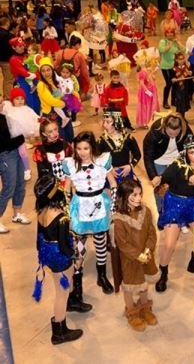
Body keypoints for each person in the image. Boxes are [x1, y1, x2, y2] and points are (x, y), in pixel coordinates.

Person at [154, 135, 194, 292]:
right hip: (174, 204)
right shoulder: (177, 166)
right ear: (186, 154)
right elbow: (164, 179)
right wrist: (186, 178)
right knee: (169, 244)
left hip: (193, 204)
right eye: (192, 152)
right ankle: (164, 274)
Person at [62, 131, 117, 295]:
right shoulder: (70, 164)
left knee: (101, 240)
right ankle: (77, 280)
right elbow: (66, 188)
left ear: (92, 147)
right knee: (80, 245)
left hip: (100, 204)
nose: (82, 152)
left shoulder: (103, 161)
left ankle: (101, 275)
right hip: (80, 207)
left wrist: (113, 205)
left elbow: (113, 183)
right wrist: (66, 207)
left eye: (86, 148)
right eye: (78, 148)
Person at [32, 174, 84, 345]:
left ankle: (70, 303)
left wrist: (44, 257)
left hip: (48, 253)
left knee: (61, 286)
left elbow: (38, 239)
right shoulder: (61, 217)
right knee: (61, 294)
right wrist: (75, 257)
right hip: (60, 257)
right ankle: (59, 332)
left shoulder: (41, 211)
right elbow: (64, 245)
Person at [113, 178, 159, 332]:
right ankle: (131, 311)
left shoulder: (146, 212)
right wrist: (137, 255)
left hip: (146, 256)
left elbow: (152, 233)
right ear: (124, 196)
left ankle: (145, 307)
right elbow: (122, 244)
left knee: (144, 283)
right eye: (134, 195)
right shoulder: (119, 220)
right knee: (129, 286)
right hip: (130, 260)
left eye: (140, 194)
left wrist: (148, 249)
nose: (138, 198)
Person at [143, 113, 193, 214]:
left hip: (176, 161)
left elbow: (191, 148)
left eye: (176, 134)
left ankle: (178, 212)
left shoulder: (186, 129)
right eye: (170, 134)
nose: (173, 136)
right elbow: (148, 156)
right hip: (159, 160)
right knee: (160, 188)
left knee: (179, 186)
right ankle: (162, 212)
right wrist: (153, 176)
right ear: (164, 127)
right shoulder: (155, 132)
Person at [0, 93, 31, 233]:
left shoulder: (6, 116)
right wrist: (23, 136)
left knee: (20, 183)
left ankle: (17, 213)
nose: (1, 105)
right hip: (6, 155)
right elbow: (5, 143)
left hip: (16, 152)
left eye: (1, 102)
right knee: (9, 187)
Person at [97, 108, 141, 184]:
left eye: (108, 122)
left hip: (127, 174)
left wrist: (130, 166)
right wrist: (109, 169)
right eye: (104, 122)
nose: (104, 125)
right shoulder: (101, 141)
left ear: (117, 122)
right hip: (110, 176)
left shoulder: (128, 138)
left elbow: (137, 155)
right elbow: (97, 159)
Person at [4, 87, 39, 181]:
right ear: (12, 100)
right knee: (14, 155)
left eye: (22, 99)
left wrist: (35, 130)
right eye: (17, 99)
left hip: (20, 138)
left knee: (22, 153)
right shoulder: (9, 110)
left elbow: (34, 119)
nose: (20, 101)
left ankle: (27, 169)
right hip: (11, 138)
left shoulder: (27, 110)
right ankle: (18, 170)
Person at [136, 62, 159, 128]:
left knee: (152, 106)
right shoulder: (142, 73)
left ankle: (151, 121)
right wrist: (148, 92)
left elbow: (153, 79)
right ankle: (145, 122)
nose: (151, 67)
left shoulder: (149, 71)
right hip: (146, 93)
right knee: (146, 107)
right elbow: (142, 84)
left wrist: (153, 73)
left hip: (152, 90)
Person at [170, 52, 193, 118]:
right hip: (178, 89)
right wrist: (173, 79)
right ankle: (180, 117)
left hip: (185, 89)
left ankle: (183, 117)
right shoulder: (174, 69)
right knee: (179, 103)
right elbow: (171, 79)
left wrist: (190, 73)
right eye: (180, 59)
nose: (181, 60)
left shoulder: (186, 68)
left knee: (184, 103)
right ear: (176, 60)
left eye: (183, 59)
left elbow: (191, 76)